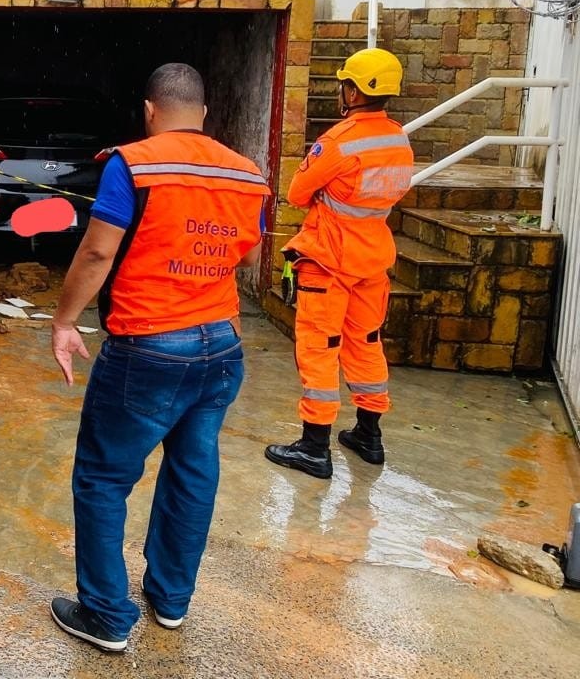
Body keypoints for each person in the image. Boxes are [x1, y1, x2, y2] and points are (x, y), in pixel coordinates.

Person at [48, 63, 270, 653]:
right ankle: (170, 602)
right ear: (204, 112)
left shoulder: (134, 163)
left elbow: (98, 251)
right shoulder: (247, 175)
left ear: (150, 110)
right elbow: (248, 260)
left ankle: (105, 615)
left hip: (149, 346)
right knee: (193, 470)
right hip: (221, 347)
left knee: (102, 477)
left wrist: (65, 320)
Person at [265, 48, 414, 479]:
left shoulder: (338, 141)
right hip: (372, 262)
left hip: (329, 262)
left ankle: (314, 447)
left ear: (354, 89)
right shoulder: (399, 140)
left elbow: (296, 193)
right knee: (366, 344)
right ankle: (368, 435)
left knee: (319, 349)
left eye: (344, 84)